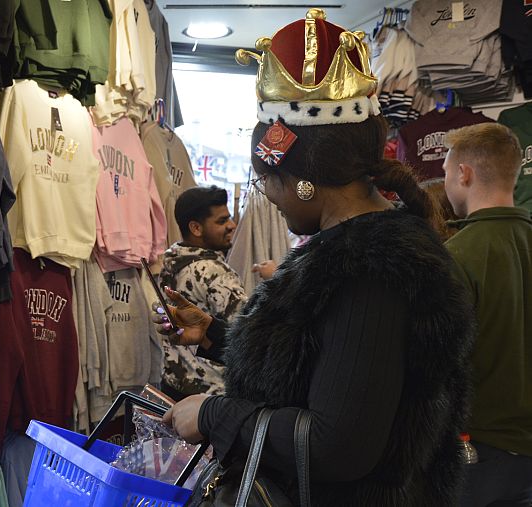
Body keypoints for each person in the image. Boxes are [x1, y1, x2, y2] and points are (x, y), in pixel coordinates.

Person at [156, 9, 474, 504]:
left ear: (305, 182)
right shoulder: (348, 251)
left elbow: (339, 445)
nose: (270, 196)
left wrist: (214, 416)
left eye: (269, 182)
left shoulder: (372, 269)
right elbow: (319, 368)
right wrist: (215, 336)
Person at [440, 123, 532, 506]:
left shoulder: (457, 256)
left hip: (480, 455)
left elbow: (443, 366)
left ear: (464, 174)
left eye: (445, 173)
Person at [158, 185, 246, 399]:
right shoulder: (215, 273)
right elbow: (246, 336)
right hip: (210, 396)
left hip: (174, 383)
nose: (232, 225)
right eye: (222, 221)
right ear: (196, 228)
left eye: (230, 218)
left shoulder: (171, 260)